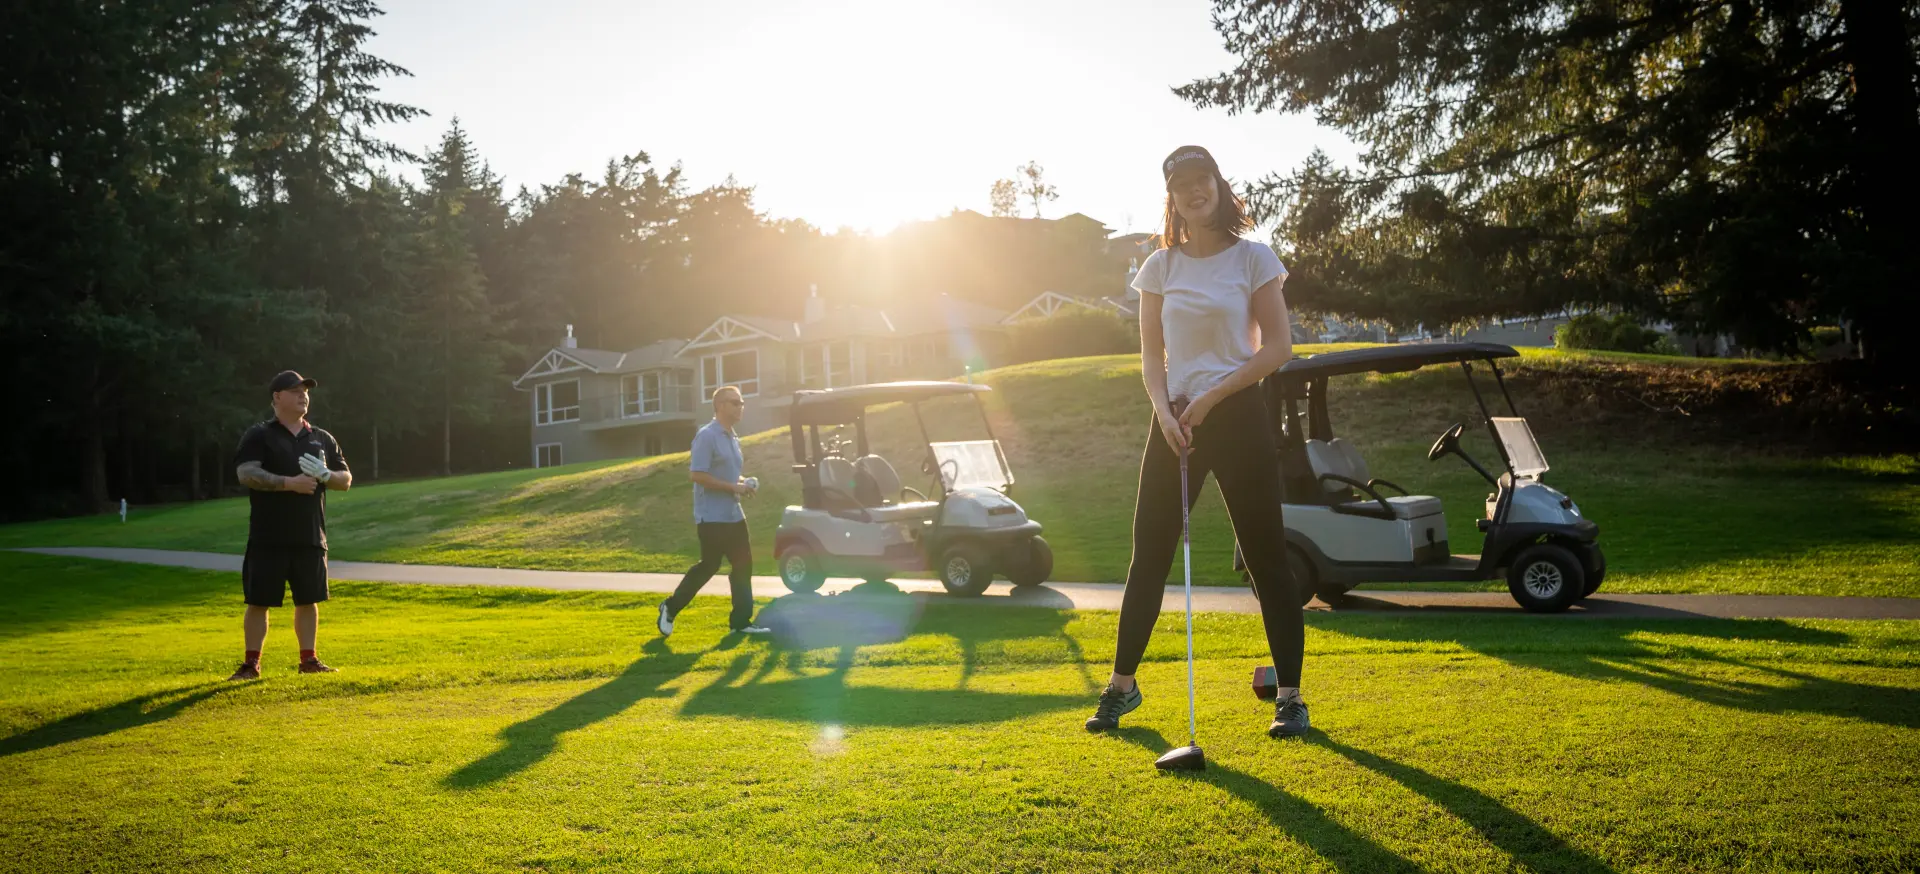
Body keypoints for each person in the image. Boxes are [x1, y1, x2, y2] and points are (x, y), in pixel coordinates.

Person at [1084, 145, 1310, 739]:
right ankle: (1120, 689)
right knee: (1148, 557)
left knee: (1267, 558)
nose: (1193, 191)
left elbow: (1278, 348)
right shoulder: (1159, 267)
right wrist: (1163, 411)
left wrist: (1209, 400)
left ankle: (1289, 698)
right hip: (1174, 423)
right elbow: (1151, 357)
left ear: (1218, 184)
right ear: (1173, 198)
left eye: (1201, 179)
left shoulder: (1254, 258)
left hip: (1237, 417)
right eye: (1181, 184)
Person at [227, 370, 352, 680]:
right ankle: (251, 664)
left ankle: (309, 660)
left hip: (310, 534)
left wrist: (326, 476)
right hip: (268, 535)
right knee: (259, 601)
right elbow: (246, 473)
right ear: (276, 398)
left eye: (305, 390)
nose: (303, 395)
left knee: (308, 599)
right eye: (294, 390)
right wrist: (288, 483)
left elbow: (345, 480)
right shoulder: (260, 435)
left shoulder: (321, 438)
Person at [657, 385, 771, 637]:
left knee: (744, 565)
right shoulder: (706, 435)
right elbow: (697, 474)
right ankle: (670, 607)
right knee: (709, 565)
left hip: (734, 513)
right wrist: (733, 487)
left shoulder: (732, 436)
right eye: (735, 403)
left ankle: (740, 622)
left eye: (741, 402)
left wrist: (742, 483)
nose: (740, 406)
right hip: (711, 516)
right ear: (720, 406)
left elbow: (727, 472)